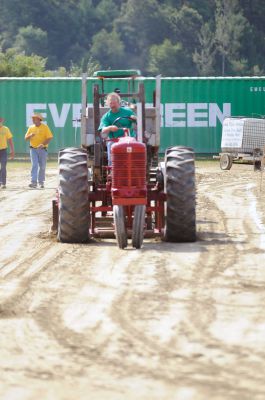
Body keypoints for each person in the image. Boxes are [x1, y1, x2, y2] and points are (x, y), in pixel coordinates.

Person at [98, 92, 137, 165]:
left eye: (114, 102)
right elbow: (103, 129)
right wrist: (110, 127)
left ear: (119, 102)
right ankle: (112, 167)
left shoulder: (127, 111)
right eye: (110, 103)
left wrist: (134, 118)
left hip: (129, 138)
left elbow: (137, 120)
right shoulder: (106, 116)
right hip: (115, 140)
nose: (112, 105)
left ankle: (136, 166)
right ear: (108, 104)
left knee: (138, 146)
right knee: (110, 145)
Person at [25, 113, 53, 188]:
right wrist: (30, 135)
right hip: (33, 149)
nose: (33, 120)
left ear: (39, 120)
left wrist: (43, 144)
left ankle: (41, 182)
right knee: (34, 165)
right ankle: (33, 182)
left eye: (35, 118)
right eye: (33, 118)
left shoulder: (45, 127)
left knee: (42, 166)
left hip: (42, 149)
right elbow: (26, 138)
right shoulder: (31, 128)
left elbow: (50, 137)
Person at [0, 117, 15, 189]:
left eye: (0, 120)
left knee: (3, 167)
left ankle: (3, 183)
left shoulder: (5, 129)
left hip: (3, 151)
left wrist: (12, 150)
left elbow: (10, 139)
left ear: (2, 121)